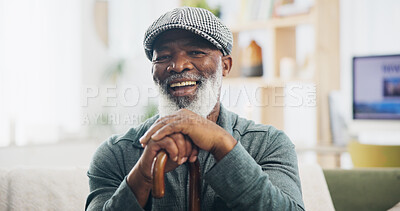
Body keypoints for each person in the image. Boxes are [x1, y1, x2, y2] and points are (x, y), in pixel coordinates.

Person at [85, 7, 304, 211]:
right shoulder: (116, 153)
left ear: (225, 65)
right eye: (163, 57)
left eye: (196, 52)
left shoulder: (268, 144)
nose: (178, 65)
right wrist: (142, 175)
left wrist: (223, 145)